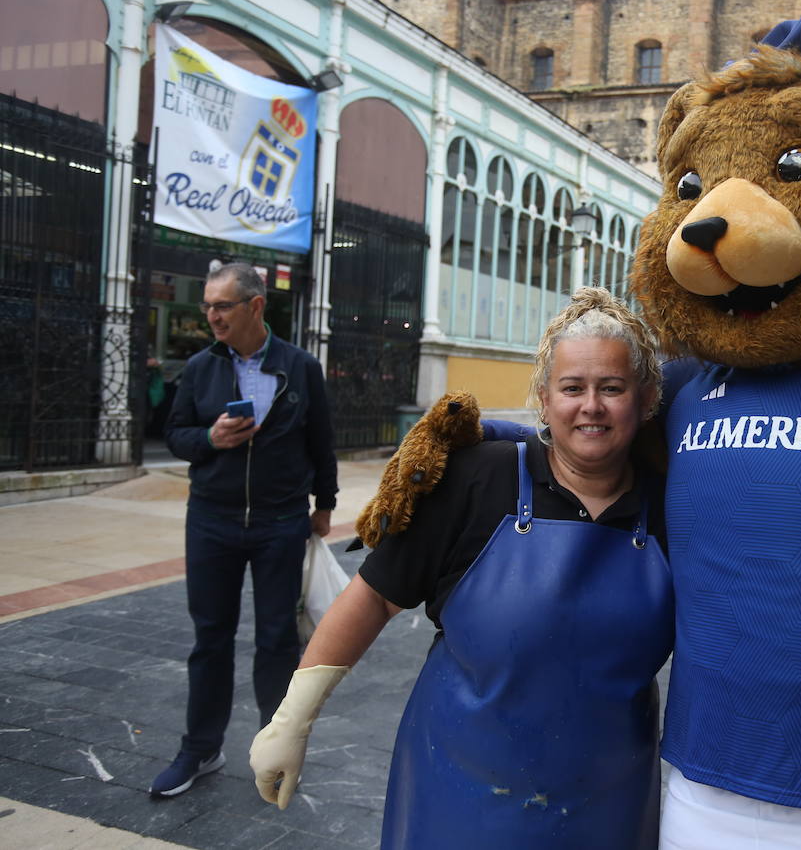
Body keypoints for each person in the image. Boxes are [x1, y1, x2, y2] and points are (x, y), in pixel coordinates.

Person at [248, 287, 673, 849]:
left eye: (611, 388)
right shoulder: (480, 477)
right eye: (572, 388)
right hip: (459, 792)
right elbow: (375, 596)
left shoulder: (672, 505)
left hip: (609, 802)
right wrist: (292, 720)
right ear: (544, 401)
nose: (590, 406)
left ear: (645, 401)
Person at [151, 261, 337, 798]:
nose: (210, 315)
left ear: (256, 307)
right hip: (211, 520)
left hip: (281, 522)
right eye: (207, 306)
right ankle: (200, 749)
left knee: (278, 641)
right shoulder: (200, 367)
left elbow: (321, 442)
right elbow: (175, 436)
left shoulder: (300, 367)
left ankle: (273, 752)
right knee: (210, 639)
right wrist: (210, 438)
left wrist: (324, 504)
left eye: (220, 306)